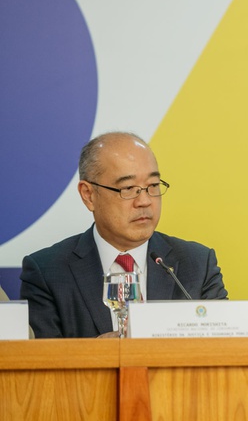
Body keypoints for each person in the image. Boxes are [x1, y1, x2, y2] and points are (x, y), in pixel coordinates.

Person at [21, 132, 227, 338]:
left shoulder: (197, 264)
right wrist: (99, 352)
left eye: (153, 186)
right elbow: (42, 356)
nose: (144, 201)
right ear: (88, 195)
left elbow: (224, 346)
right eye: (128, 188)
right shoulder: (47, 272)